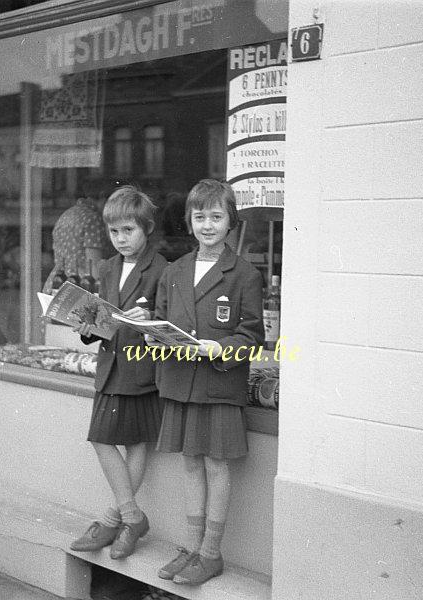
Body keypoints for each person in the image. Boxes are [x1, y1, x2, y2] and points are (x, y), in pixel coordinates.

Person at [152, 179, 264, 585]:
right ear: (189, 222)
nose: (208, 225)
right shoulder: (174, 270)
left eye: (217, 217)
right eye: (200, 217)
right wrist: (153, 334)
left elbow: (252, 336)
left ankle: (211, 553)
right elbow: (162, 320)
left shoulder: (244, 274)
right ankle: (193, 546)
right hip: (181, 382)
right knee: (190, 464)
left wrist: (218, 350)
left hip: (218, 385)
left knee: (216, 465)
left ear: (231, 221)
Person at [70, 186, 167, 559]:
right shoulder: (107, 267)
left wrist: (153, 319)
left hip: (142, 368)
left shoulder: (162, 269)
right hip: (111, 366)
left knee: (135, 441)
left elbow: (170, 322)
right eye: (115, 232)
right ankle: (130, 517)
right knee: (103, 438)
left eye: (129, 230)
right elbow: (99, 320)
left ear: (147, 228)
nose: (121, 239)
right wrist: (83, 322)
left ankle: (117, 519)